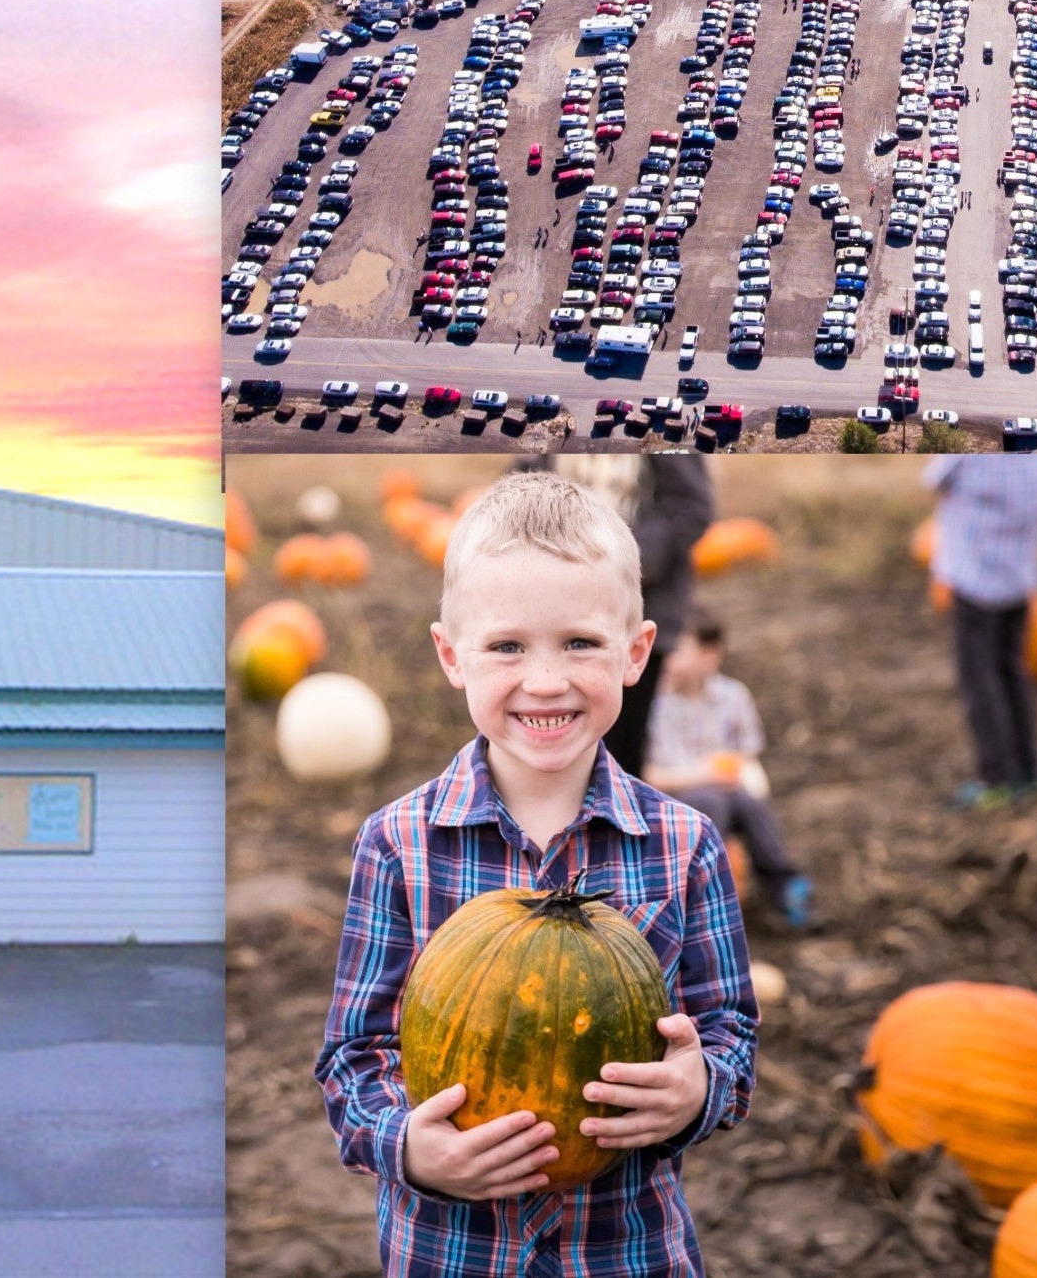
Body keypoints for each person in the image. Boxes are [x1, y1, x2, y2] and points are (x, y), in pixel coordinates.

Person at [315, 472, 756, 1277]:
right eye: (507, 646)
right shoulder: (398, 844)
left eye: (579, 643)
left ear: (635, 652)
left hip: (624, 1251)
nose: (544, 680)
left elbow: (730, 1035)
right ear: (452, 656)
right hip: (451, 1251)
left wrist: (697, 1092)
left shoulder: (684, 844)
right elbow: (354, 1056)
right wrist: (408, 1147)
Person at [515, 455, 715, 777]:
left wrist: (622, 564)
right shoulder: (554, 417)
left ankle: (618, 820)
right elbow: (519, 489)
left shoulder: (665, 422)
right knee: (556, 738)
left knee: (621, 748)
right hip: (554, 610)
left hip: (639, 611)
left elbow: (690, 509)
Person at [643, 618, 812, 929]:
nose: (668, 658)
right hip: (675, 798)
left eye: (678, 650)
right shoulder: (654, 705)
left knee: (751, 803)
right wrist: (706, 772)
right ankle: (705, 895)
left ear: (709, 657)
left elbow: (746, 754)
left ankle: (786, 885)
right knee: (712, 801)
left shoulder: (733, 696)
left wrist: (736, 774)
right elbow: (648, 774)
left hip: (727, 791)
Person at [924, 455, 1037, 810]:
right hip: (1020, 576)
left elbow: (934, 478)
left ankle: (997, 778)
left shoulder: (977, 454)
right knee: (1013, 670)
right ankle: (1028, 772)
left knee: (980, 679)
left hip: (975, 577)